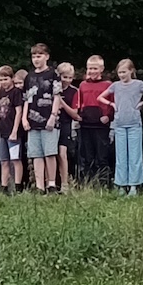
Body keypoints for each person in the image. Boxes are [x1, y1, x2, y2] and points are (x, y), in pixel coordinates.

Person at [109, 59, 143, 193]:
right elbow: (100, 97)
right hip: (119, 124)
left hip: (134, 125)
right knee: (121, 157)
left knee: (134, 156)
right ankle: (121, 185)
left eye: (124, 72)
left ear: (131, 71)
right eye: (119, 72)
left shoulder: (138, 84)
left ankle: (134, 185)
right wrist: (112, 104)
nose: (121, 75)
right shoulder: (115, 85)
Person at [22, 45, 64, 194]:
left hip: (49, 119)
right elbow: (26, 99)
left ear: (46, 56)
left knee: (50, 152)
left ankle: (51, 184)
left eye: (39, 56)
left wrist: (53, 116)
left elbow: (57, 96)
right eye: (34, 56)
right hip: (32, 120)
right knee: (36, 154)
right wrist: (24, 118)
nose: (36, 59)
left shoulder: (53, 74)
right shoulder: (29, 77)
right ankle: (39, 186)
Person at [75, 56, 114, 185]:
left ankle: (103, 184)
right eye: (90, 68)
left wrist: (108, 116)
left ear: (101, 69)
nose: (92, 71)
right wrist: (79, 115)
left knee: (102, 156)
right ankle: (88, 184)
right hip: (85, 125)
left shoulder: (108, 85)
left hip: (101, 126)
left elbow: (113, 103)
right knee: (87, 156)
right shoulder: (83, 85)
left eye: (95, 68)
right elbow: (79, 103)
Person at [55, 61, 80, 191]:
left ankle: (65, 184)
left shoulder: (74, 91)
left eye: (70, 78)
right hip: (52, 124)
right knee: (50, 154)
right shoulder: (52, 88)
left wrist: (61, 102)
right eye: (65, 77)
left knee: (62, 153)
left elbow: (75, 114)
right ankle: (52, 183)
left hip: (65, 124)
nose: (67, 80)